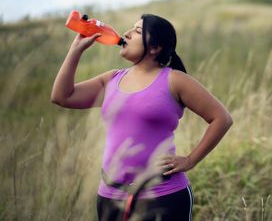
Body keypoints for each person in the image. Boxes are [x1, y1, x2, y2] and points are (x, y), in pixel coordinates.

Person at [50, 13, 233, 221]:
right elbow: (62, 96)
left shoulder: (175, 80)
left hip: (164, 196)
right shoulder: (111, 79)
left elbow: (222, 118)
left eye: (137, 31)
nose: (126, 33)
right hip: (111, 196)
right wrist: (75, 51)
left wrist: (191, 160)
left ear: (155, 47)